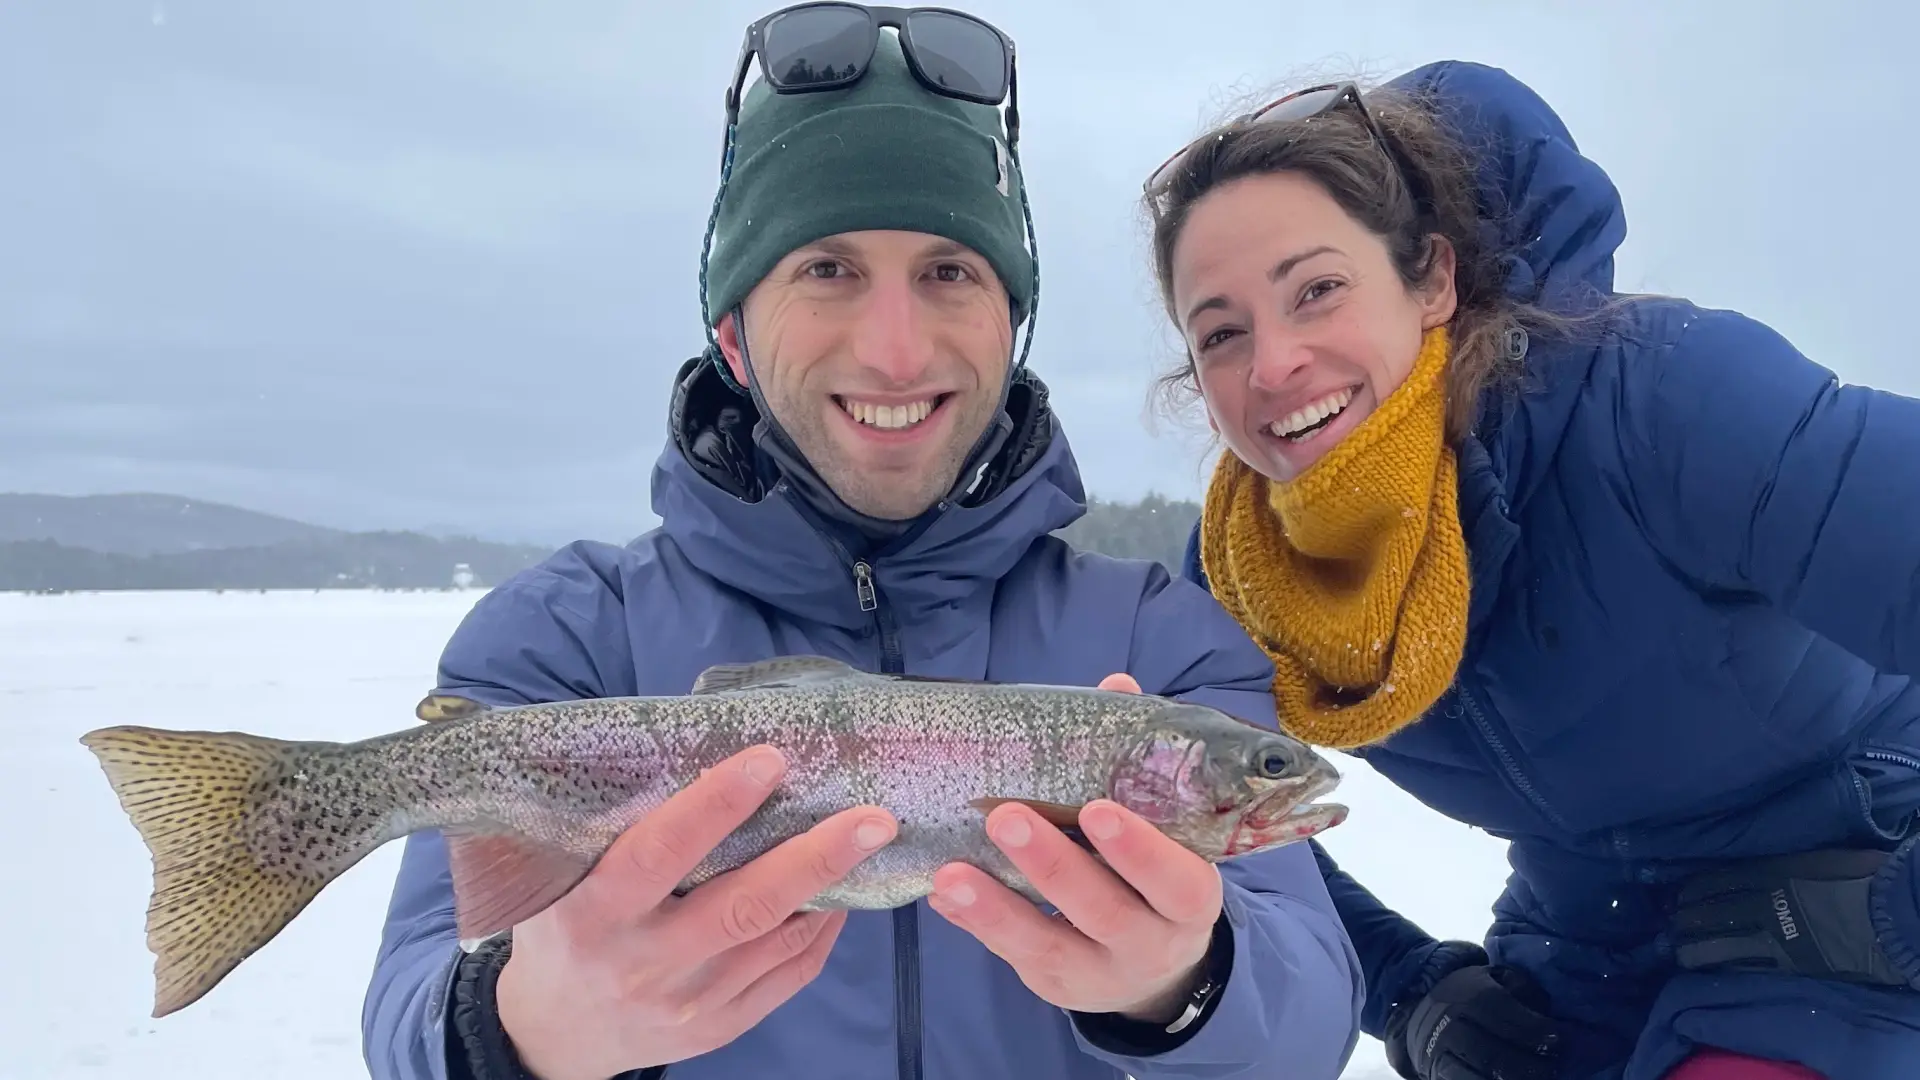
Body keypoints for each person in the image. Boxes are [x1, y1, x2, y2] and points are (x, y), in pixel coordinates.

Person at [359, 6, 1365, 1080]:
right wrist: (516, 1033)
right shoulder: (560, 640)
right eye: (827, 270)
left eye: (950, 272)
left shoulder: (1163, 639)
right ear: (733, 334)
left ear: (1012, 326)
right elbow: (413, 1018)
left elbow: (1307, 1028)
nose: (895, 351)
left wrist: (1187, 985)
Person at [1142, 60, 1920, 1080]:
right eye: (1222, 332)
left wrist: (1899, 919)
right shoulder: (1248, 576)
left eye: (1318, 290)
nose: (1273, 363)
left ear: (1432, 279)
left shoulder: (1657, 400)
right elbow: (1195, 815)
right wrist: (1409, 986)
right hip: (1590, 946)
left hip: (1851, 887)